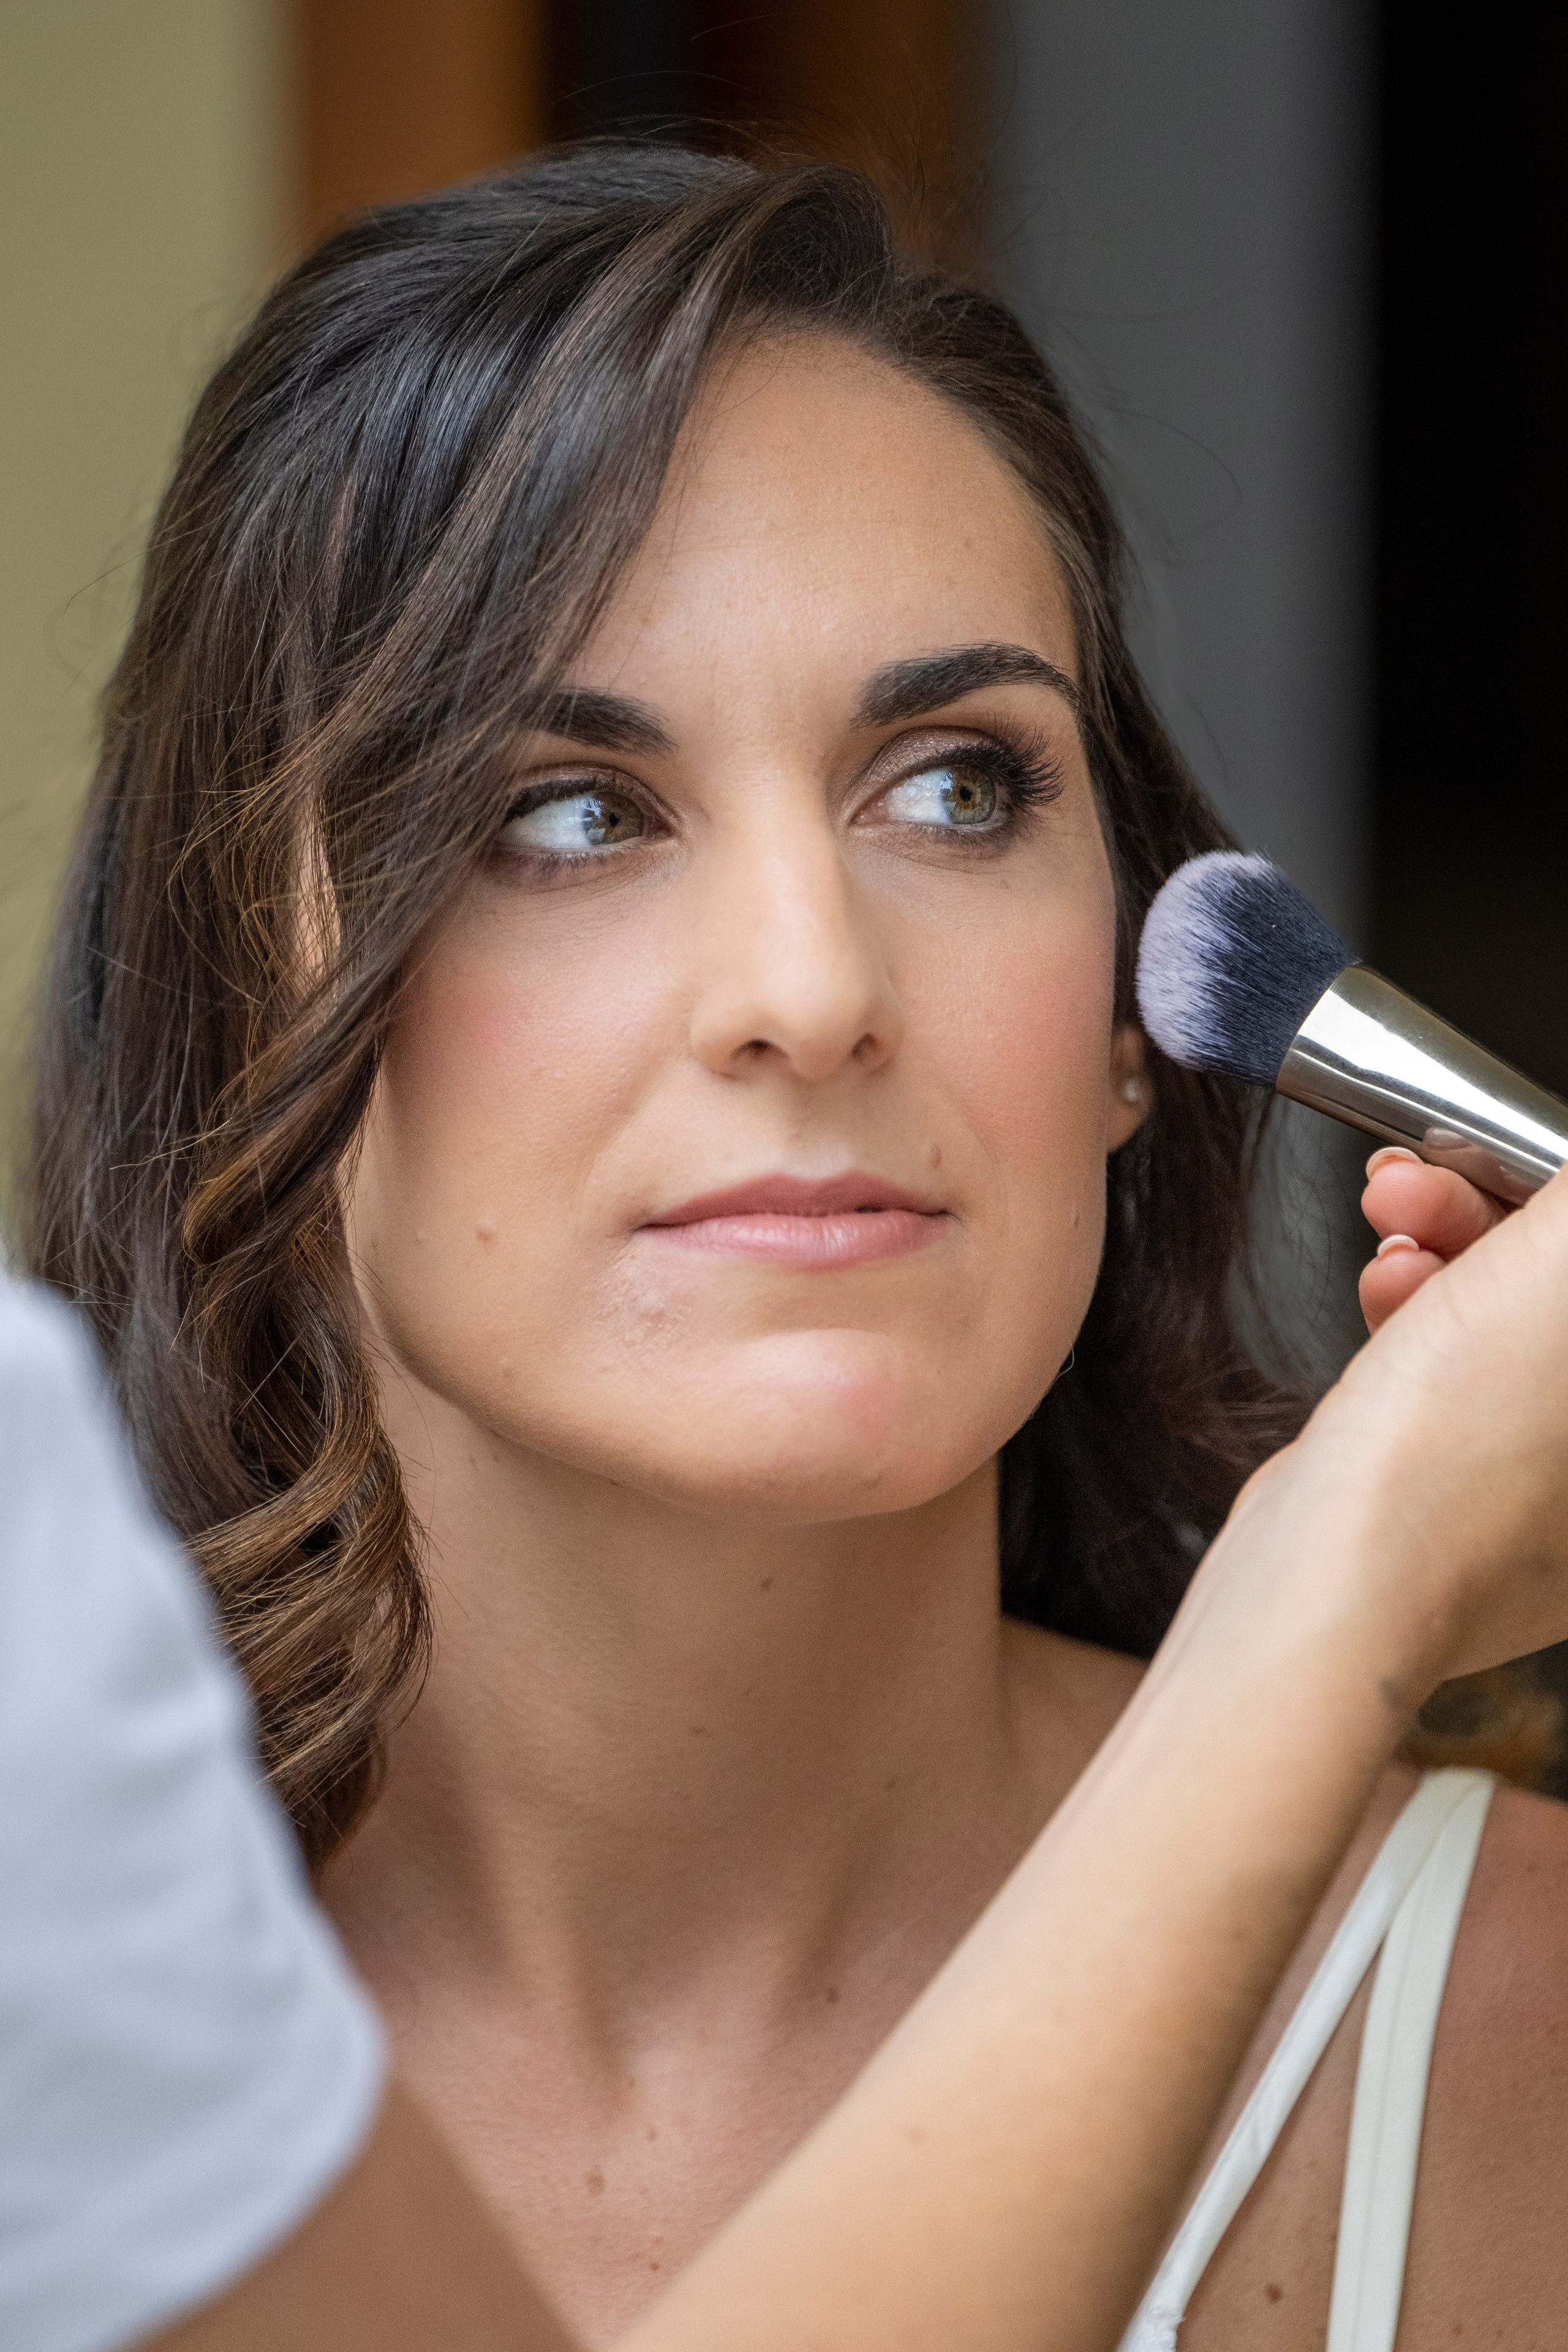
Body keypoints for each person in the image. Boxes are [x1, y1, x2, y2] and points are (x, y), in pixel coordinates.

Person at [21, 143, 1568, 2350]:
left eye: (955, 788)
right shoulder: (62, 1998)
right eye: (569, 812)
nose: (814, 986)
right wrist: (1345, 1591)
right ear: (251, 1005)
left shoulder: (1521, 2029)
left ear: (1132, 1025)